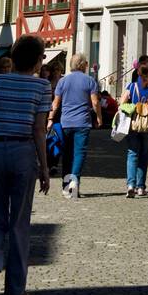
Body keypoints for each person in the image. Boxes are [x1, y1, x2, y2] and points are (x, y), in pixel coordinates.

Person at [0, 34, 51, 295]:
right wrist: (44, 167)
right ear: (37, 61)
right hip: (22, 153)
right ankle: (16, 293)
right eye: (42, 57)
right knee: (19, 224)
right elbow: (39, 130)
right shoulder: (42, 87)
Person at [47, 52, 101, 198]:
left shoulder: (62, 82)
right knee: (79, 153)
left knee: (67, 155)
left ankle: (66, 188)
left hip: (66, 123)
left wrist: (50, 118)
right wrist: (99, 118)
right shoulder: (90, 81)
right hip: (83, 122)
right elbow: (95, 102)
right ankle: (75, 181)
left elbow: (56, 103)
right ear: (82, 64)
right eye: (86, 63)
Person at [121, 62, 148, 197]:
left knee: (132, 154)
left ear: (138, 73)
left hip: (133, 124)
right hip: (147, 126)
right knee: (144, 155)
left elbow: (122, 103)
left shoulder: (132, 86)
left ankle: (131, 184)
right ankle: (141, 187)